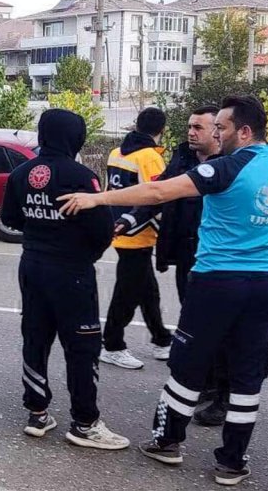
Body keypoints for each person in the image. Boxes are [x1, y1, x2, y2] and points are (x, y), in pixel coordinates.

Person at [58, 95, 268, 487]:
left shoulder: (228, 167)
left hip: (216, 282)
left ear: (244, 131)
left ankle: (167, 442)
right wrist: (256, 254)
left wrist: (98, 198)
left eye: (221, 128)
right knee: (247, 372)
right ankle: (232, 462)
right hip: (264, 284)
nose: (216, 134)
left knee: (188, 362)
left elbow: (158, 193)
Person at [0, 109, 129, 451]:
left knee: (35, 336)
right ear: (76, 137)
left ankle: (37, 412)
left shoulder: (21, 173)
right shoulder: (82, 177)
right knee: (83, 346)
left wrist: (40, 227)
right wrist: (82, 252)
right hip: (71, 272)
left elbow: (10, 218)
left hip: (32, 266)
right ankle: (85, 423)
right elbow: (103, 230)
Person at [121, 105, 228, 425]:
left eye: (199, 127)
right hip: (186, 256)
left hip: (219, 261)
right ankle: (206, 383)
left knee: (219, 328)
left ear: (217, 132)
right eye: (190, 126)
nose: (191, 132)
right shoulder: (181, 158)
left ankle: (223, 395)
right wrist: (129, 217)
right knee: (194, 323)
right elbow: (158, 193)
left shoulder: (232, 164)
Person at [100, 107, 173, 370]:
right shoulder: (150, 158)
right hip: (138, 232)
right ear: (161, 130)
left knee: (147, 290)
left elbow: (112, 190)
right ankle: (111, 344)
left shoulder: (116, 152)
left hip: (119, 228)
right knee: (127, 293)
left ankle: (162, 338)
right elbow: (157, 197)